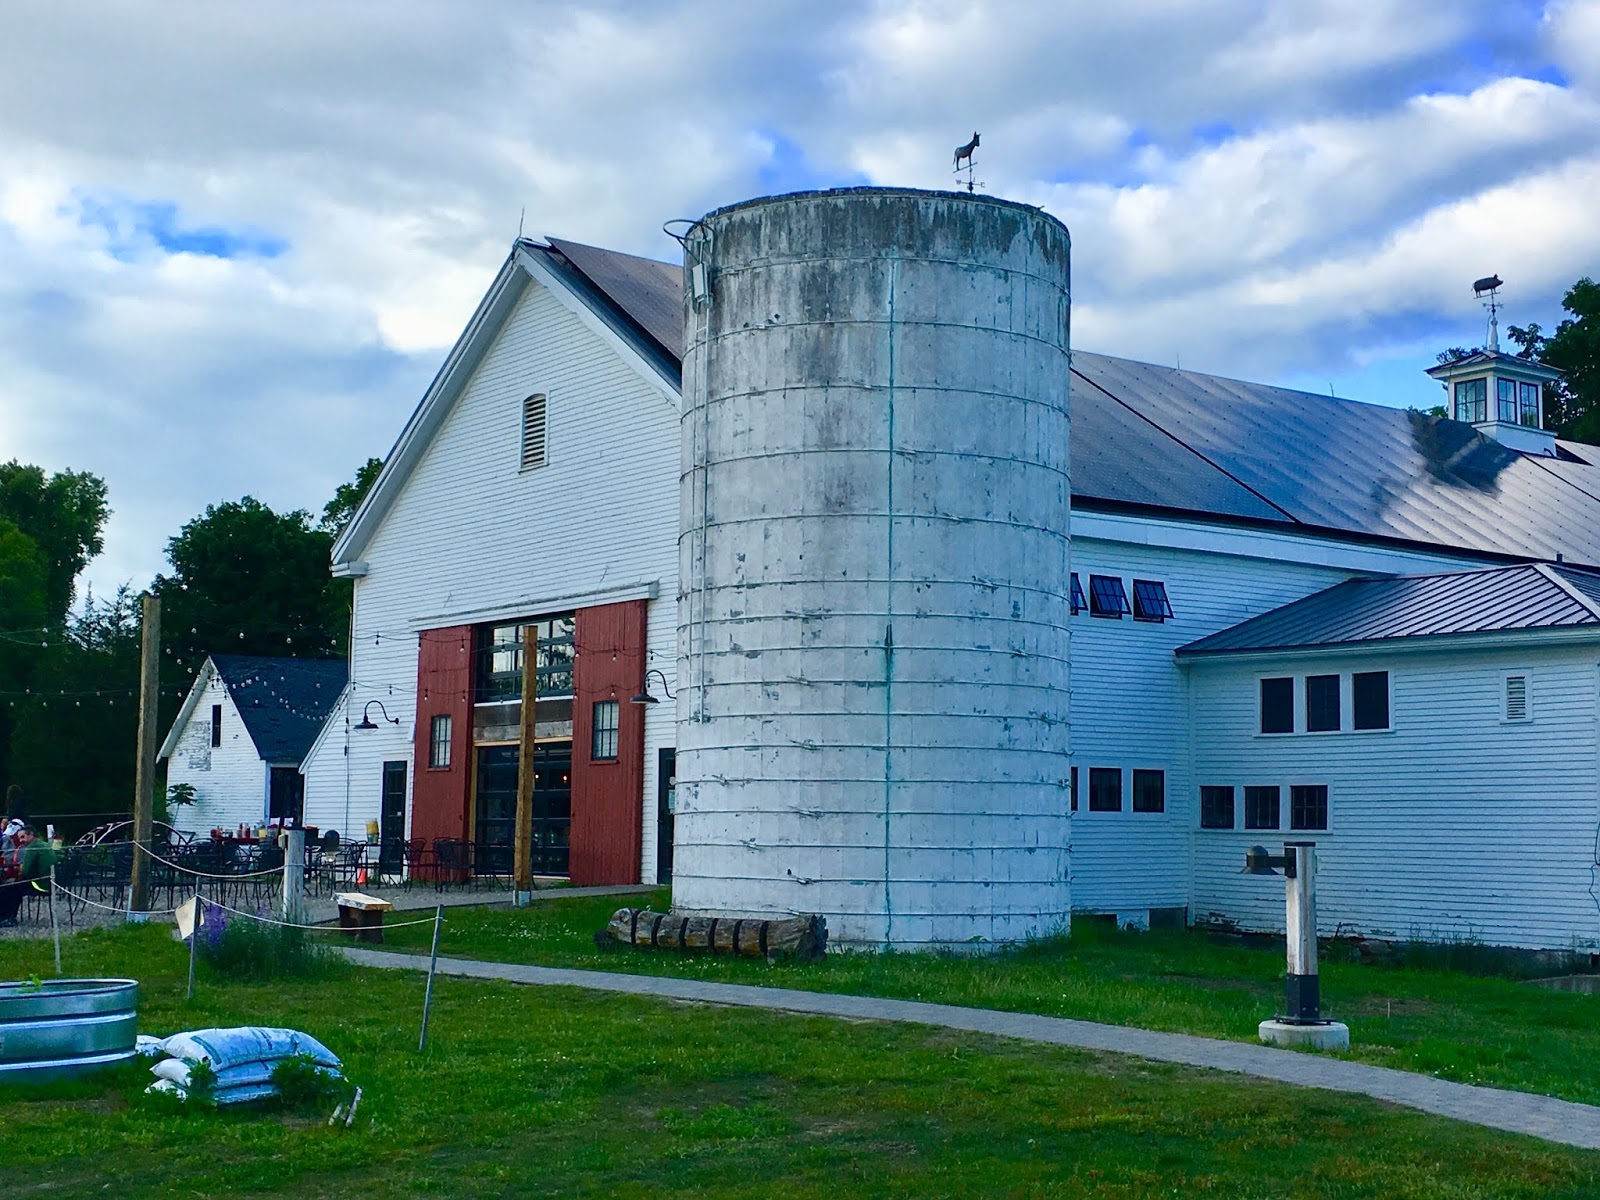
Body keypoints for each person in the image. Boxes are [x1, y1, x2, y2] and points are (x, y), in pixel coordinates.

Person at [0, 826, 55, 926]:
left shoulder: (33, 847)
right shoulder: (44, 844)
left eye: (23, 837)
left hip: (41, 884)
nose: (21, 840)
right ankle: (10, 916)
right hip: (51, 882)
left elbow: (25, 871)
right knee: (14, 887)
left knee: (8, 889)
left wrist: (19, 869)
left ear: (31, 835)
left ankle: (6, 918)